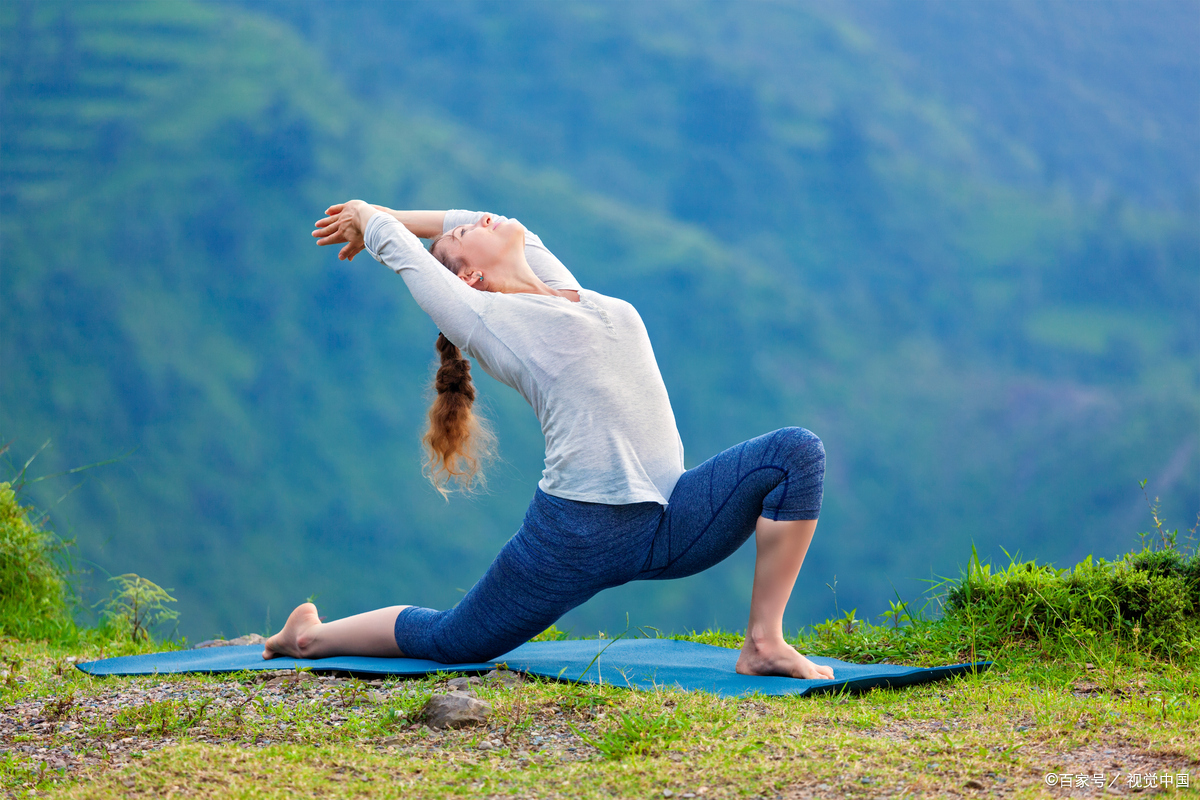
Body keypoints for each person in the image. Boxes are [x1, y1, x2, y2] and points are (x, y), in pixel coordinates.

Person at [263, 200, 834, 680]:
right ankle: (309, 637)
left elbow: (488, 223)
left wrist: (390, 212)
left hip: (671, 518)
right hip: (579, 532)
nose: (482, 220)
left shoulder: (565, 290)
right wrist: (366, 216)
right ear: (468, 280)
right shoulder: (486, 318)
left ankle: (763, 642)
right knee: (455, 639)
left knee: (795, 453)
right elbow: (409, 259)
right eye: (467, 234)